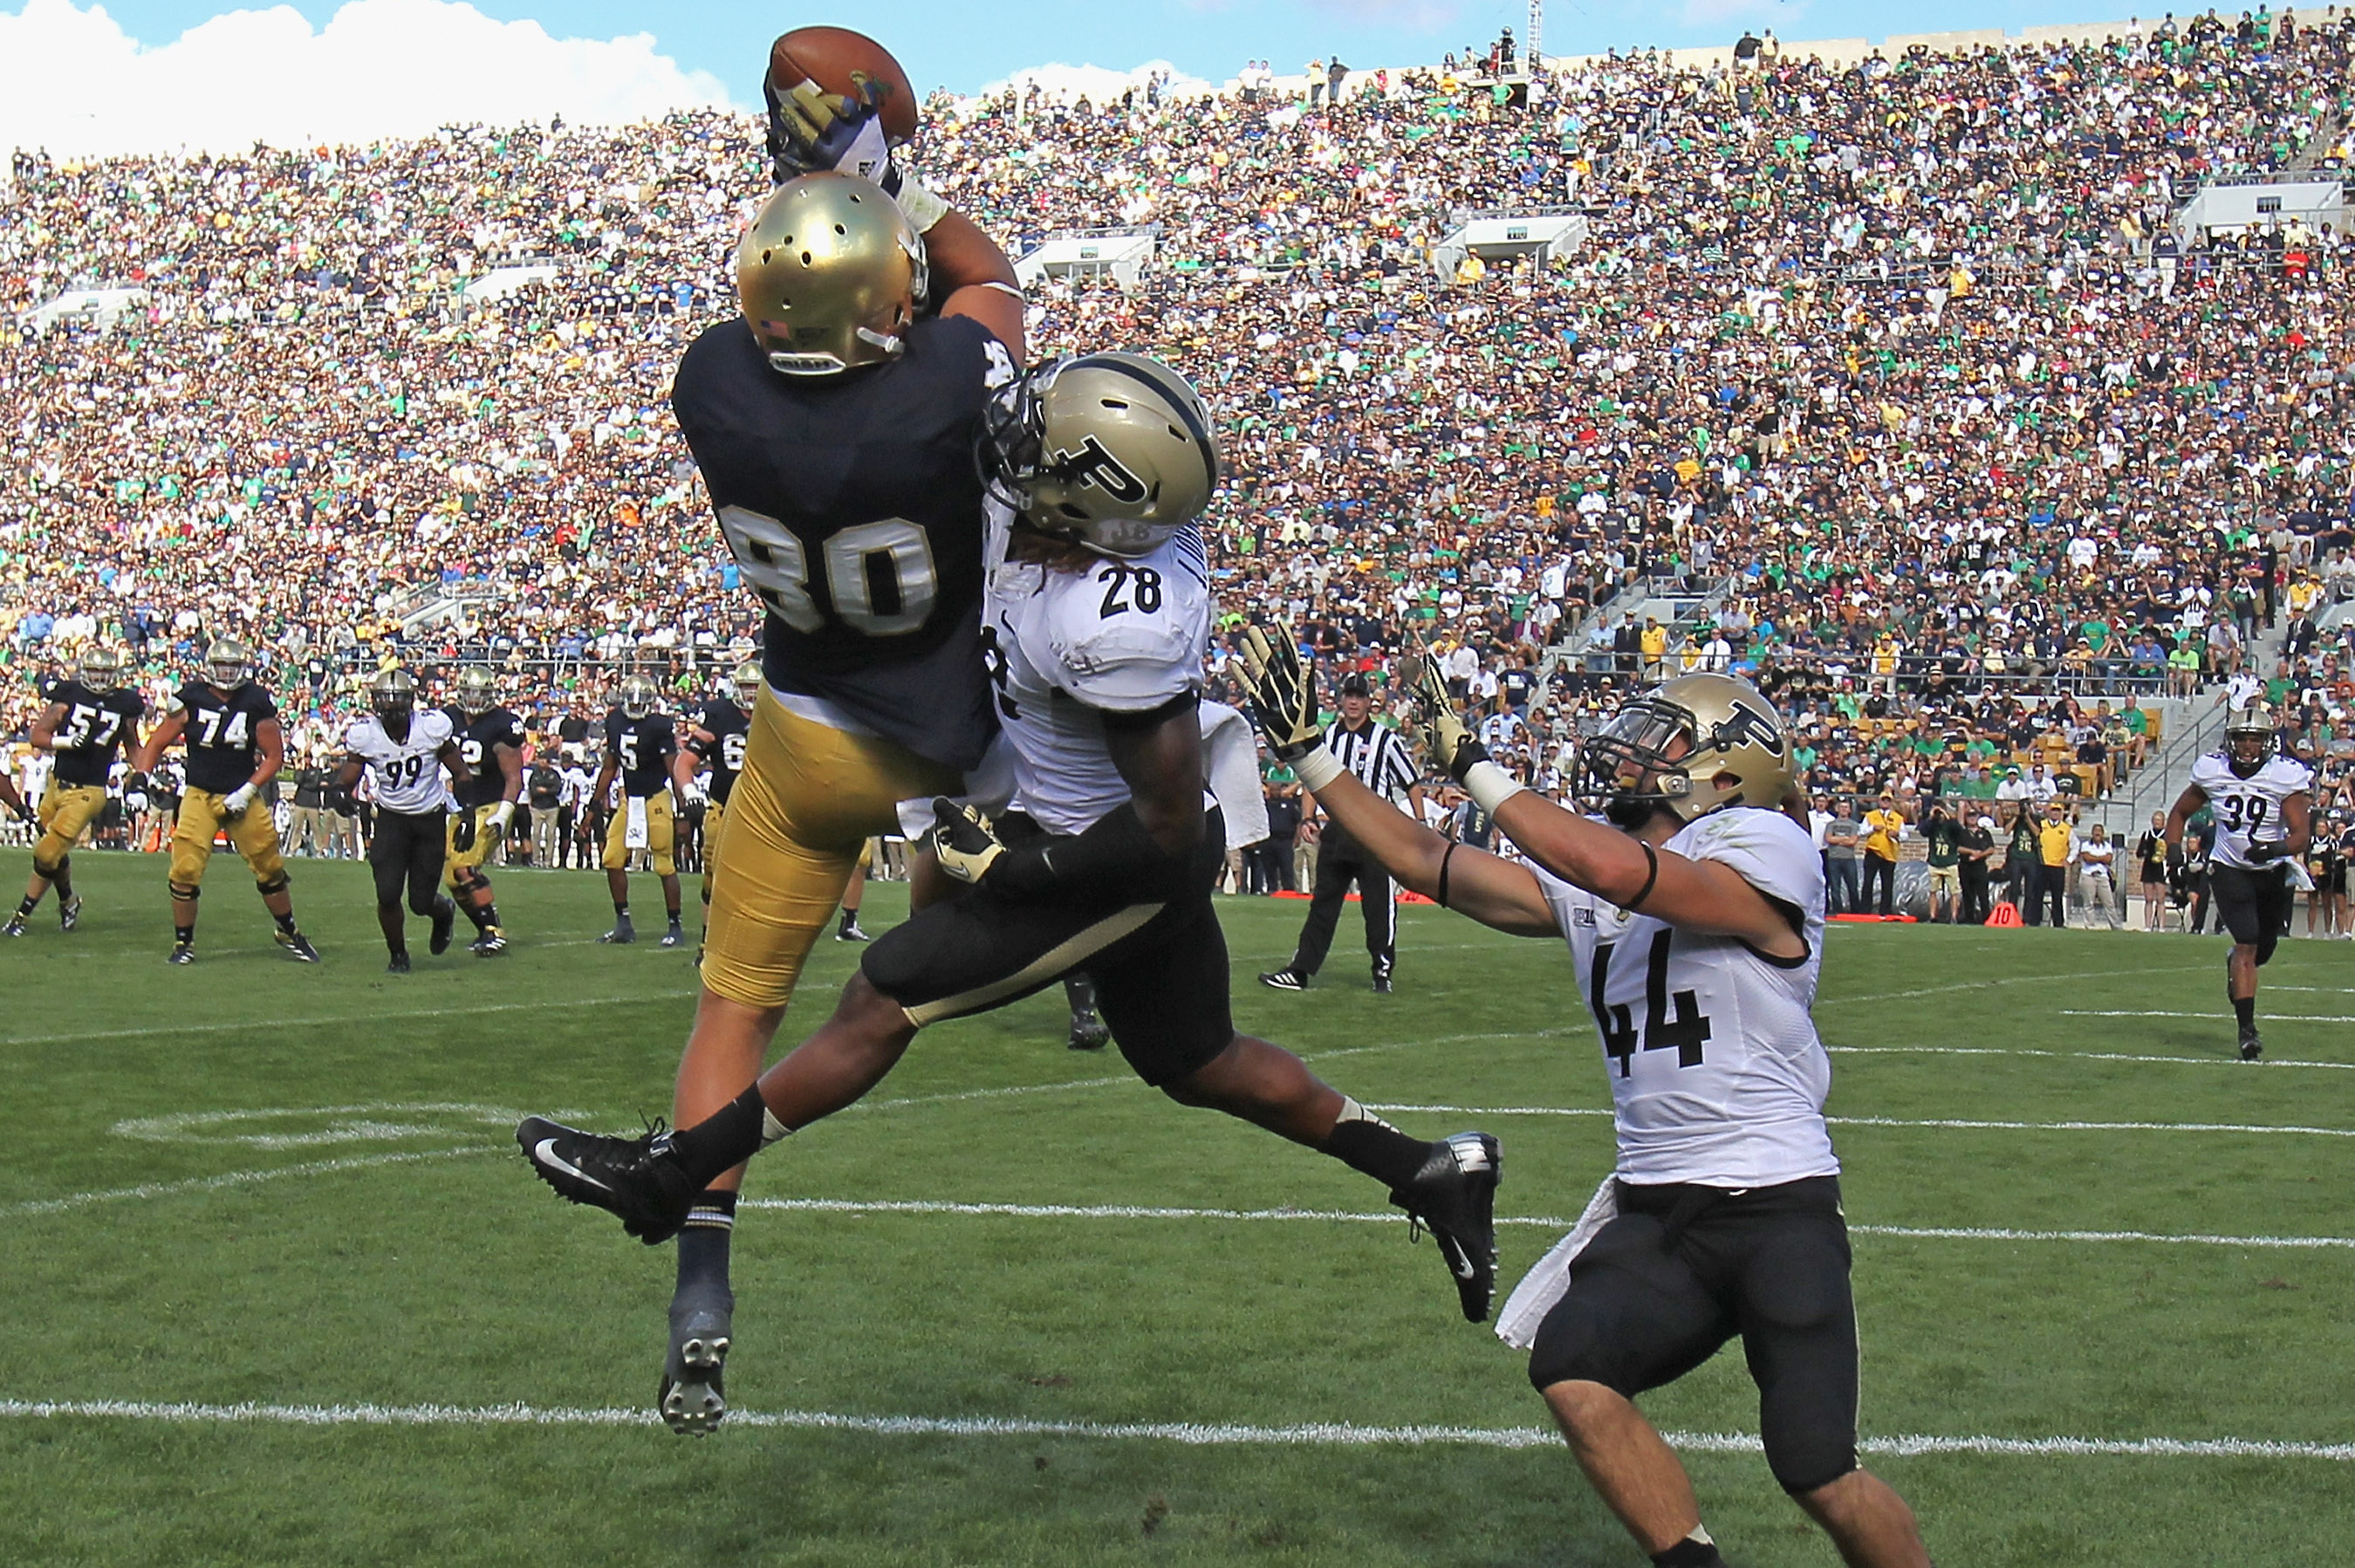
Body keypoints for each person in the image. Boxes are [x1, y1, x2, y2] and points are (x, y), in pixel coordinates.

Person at [517, 353, 1502, 1436]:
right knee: (1197, 1060)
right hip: (1070, 832)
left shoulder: (1116, 617)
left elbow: (1165, 824)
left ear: (1088, 511)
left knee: (885, 988)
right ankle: (1426, 1171)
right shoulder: (1083, 526)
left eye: (1039, 460)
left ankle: (670, 1180)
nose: (1012, 462)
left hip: (1112, 860)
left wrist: (1020, 868)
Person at [1234, 639, 1930, 1568]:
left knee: (1814, 1470)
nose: (1637, 756)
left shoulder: (1763, 845)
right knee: (1572, 1371)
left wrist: (1473, 764)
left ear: (1726, 776)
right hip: (1656, 1207)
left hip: (1774, 1203)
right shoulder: (1598, 872)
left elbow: (1614, 874)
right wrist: (1311, 754)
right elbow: (1421, 859)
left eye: (1667, 742)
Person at [635, 167, 1028, 1432]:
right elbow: (993, 285)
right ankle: (973, 946)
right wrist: (897, 179)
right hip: (949, 752)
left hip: (801, 736)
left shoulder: (709, 383)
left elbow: (779, 318)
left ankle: (702, 1286)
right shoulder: (929, 392)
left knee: (732, 1009)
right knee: (937, 958)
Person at [127, 638, 318, 965]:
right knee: (185, 869)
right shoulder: (192, 697)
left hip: (241, 793)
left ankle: (287, 930)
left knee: (270, 866)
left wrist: (246, 791)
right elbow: (157, 741)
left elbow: (274, 756)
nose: (227, 672)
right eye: (221, 666)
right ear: (209, 667)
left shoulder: (256, 700)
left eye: (232, 666)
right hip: (199, 794)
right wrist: (140, 778)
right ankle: (183, 942)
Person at [1260, 671, 1423, 993]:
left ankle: (1382, 970)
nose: (1353, 701)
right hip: (1337, 830)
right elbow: (1312, 780)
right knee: (1323, 903)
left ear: (1368, 703)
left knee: (1378, 905)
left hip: (1375, 833)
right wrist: (1307, 819)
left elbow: (1412, 782)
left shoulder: (1385, 740)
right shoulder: (1329, 737)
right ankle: (1300, 971)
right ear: (1341, 699)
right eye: (1348, 695)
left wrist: (1420, 826)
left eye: (1359, 696)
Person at [2166, 703, 2314, 1058]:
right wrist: (2173, 851)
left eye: (2255, 739)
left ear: (2268, 742)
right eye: (2242, 738)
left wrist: (2274, 848)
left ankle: (2236, 962)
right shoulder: (2213, 771)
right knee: (2247, 942)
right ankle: (2247, 1030)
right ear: (2231, 740)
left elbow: (2301, 834)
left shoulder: (2283, 775)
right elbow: (2179, 812)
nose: (2248, 746)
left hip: (2270, 871)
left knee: (2263, 948)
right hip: (2228, 868)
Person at [334, 670, 469, 973]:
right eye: (386, 700)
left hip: (429, 819)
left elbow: (461, 773)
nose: (393, 708)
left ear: (410, 701)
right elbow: (351, 772)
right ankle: (398, 954)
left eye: (398, 700)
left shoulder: (430, 728)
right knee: (387, 893)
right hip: (392, 820)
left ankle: (443, 911)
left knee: (420, 902)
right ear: (375, 702)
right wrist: (339, 790)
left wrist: (468, 813)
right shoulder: (366, 734)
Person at [6, 645, 143, 937]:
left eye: (105, 672)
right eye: (94, 671)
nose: (99, 677)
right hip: (56, 784)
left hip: (90, 790)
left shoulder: (125, 705)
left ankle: (21, 916)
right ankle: (68, 901)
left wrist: (142, 779)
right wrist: (66, 742)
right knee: (50, 852)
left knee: (46, 852)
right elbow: (38, 735)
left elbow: (133, 746)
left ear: (115, 674)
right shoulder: (68, 696)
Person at [593, 674, 688, 948]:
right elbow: (610, 766)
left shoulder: (659, 725)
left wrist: (682, 812)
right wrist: (594, 804)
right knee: (611, 858)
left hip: (656, 798)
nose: (635, 706)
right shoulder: (614, 721)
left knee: (663, 863)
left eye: (640, 701)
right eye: (631, 701)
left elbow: (673, 769)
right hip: (628, 800)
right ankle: (623, 923)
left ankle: (675, 925)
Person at [437, 668, 523, 955]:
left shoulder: (502, 724)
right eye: (470, 692)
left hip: (491, 804)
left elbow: (514, 777)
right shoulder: (446, 717)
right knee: (452, 877)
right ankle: (483, 929)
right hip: (461, 808)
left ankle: (493, 929)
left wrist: (503, 813)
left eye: (481, 694)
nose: (475, 699)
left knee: (465, 868)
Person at [675, 660, 758, 944]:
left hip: (763, 811)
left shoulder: (777, 717)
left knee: (758, 878)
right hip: (722, 806)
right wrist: (691, 793)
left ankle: (750, 941)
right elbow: (685, 761)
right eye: (746, 687)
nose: (751, 694)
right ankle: (707, 942)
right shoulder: (719, 715)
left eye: (756, 687)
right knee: (712, 876)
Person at [1859, 792, 1902, 915]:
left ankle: (1885, 911)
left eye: (1888, 800)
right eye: (1883, 800)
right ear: (1879, 801)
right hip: (1873, 851)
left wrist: (1896, 834)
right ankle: (1865, 910)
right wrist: (1872, 828)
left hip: (1889, 854)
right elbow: (1861, 831)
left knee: (1887, 884)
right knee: (1868, 882)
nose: (1885, 802)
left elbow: (1905, 836)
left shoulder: (1898, 818)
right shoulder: (1871, 816)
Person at [2034, 801, 2075, 928]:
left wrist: (2069, 860)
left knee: (2057, 896)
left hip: (2057, 866)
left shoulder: (2066, 828)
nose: (2055, 813)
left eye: (2058, 811)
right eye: (2053, 811)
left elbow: (2075, 845)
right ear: (2049, 812)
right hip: (2042, 864)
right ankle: (2035, 921)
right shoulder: (2042, 825)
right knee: (2038, 894)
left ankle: (2058, 922)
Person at [1920, 802, 1961, 923]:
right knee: (1933, 891)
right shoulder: (1932, 825)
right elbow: (1923, 831)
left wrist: (1947, 816)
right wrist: (1931, 817)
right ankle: (1933, 916)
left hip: (1950, 862)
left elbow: (1958, 830)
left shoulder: (1951, 824)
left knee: (1954, 892)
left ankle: (1954, 917)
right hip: (1935, 862)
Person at [2135, 810, 2174, 930]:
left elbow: (2171, 853)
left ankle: (2161, 926)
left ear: (2163, 822)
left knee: (2160, 899)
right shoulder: (2147, 835)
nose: (2157, 822)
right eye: (2155, 820)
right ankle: (2147, 926)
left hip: (2160, 868)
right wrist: (2145, 851)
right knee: (2148, 899)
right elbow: (2139, 853)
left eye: (2159, 820)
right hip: (2148, 867)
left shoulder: (2167, 835)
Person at [2078, 823, 2120, 929]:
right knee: (2089, 903)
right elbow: (2087, 858)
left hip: (2102, 876)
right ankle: (2089, 925)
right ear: (2092, 833)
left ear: (2102, 834)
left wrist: (2095, 858)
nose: (2097, 833)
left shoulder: (2107, 846)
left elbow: (2109, 859)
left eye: (2099, 831)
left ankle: (2116, 926)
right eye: (2095, 831)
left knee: (2109, 903)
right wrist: (2101, 858)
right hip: (2088, 875)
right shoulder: (2085, 845)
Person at [1821, 799, 1859, 914]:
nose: (1844, 809)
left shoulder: (1854, 825)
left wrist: (1837, 840)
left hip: (1849, 859)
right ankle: (1837, 911)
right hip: (1833, 859)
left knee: (1853, 886)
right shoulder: (1831, 824)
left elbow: (1852, 841)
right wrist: (1844, 839)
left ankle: (1856, 911)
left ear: (1850, 810)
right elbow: (1828, 839)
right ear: (1837, 809)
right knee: (1835, 887)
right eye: (1842, 807)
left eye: (1846, 807)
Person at [1957, 810, 1995, 925]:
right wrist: (1972, 852)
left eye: (1974, 816)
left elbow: (1991, 849)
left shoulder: (1984, 833)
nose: (1972, 818)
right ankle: (1969, 919)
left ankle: (1986, 919)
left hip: (1980, 866)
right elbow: (1957, 847)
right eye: (1969, 816)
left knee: (1983, 894)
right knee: (1968, 894)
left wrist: (1979, 855)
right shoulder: (1961, 833)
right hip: (1965, 866)